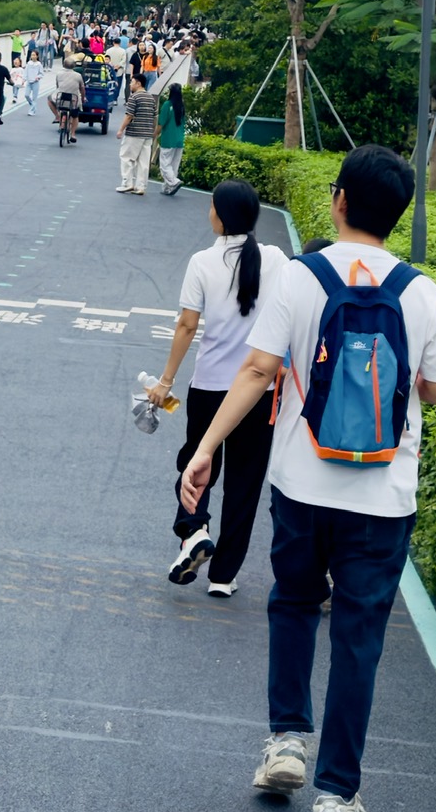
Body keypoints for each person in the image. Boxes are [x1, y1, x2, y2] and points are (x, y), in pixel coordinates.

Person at [179, 147, 436, 811]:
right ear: (397, 214)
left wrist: (205, 448)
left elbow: (257, 370)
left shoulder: (300, 276)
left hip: (303, 486)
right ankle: (338, 791)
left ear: (338, 200)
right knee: (359, 637)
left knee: (294, 604)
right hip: (383, 498)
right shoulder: (421, 291)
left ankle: (285, 742)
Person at [150, 179, 288, 595]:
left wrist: (166, 381)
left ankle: (193, 530)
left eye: (211, 206)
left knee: (196, 463)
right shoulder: (276, 260)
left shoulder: (202, 263)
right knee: (245, 483)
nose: (208, 212)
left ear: (222, 216)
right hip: (259, 391)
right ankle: (224, 577)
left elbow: (187, 326)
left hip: (209, 386)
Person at [115, 75, 159, 195]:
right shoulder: (151, 98)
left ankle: (127, 183)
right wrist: (153, 131)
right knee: (143, 161)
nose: (130, 84)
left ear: (138, 83)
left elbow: (129, 115)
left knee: (127, 158)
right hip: (147, 133)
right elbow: (155, 116)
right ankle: (141, 186)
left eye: (132, 82)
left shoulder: (134, 97)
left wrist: (121, 130)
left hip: (134, 132)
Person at [157, 82, 186, 196]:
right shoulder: (181, 106)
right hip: (179, 139)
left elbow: (161, 123)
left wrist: (154, 134)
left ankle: (174, 182)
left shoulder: (167, 105)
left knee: (164, 165)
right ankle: (167, 188)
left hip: (168, 139)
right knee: (174, 165)